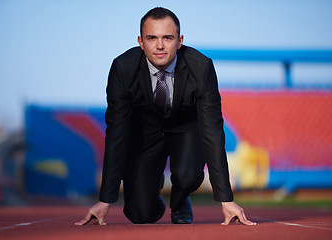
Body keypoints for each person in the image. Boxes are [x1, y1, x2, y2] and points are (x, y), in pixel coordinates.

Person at [75, 7, 256, 226]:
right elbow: (116, 132)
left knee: (187, 174)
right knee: (140, 215)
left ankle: (180, 199)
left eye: (167, 38)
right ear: (141, 42)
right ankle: (154, 187)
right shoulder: (123, 69)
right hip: (144, 133)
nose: (160, 45)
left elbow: (213, 131)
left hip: (186, 129)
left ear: (179, 41)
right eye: (152, 38)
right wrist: (105, 199)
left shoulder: (201, 67)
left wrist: (226, 199)